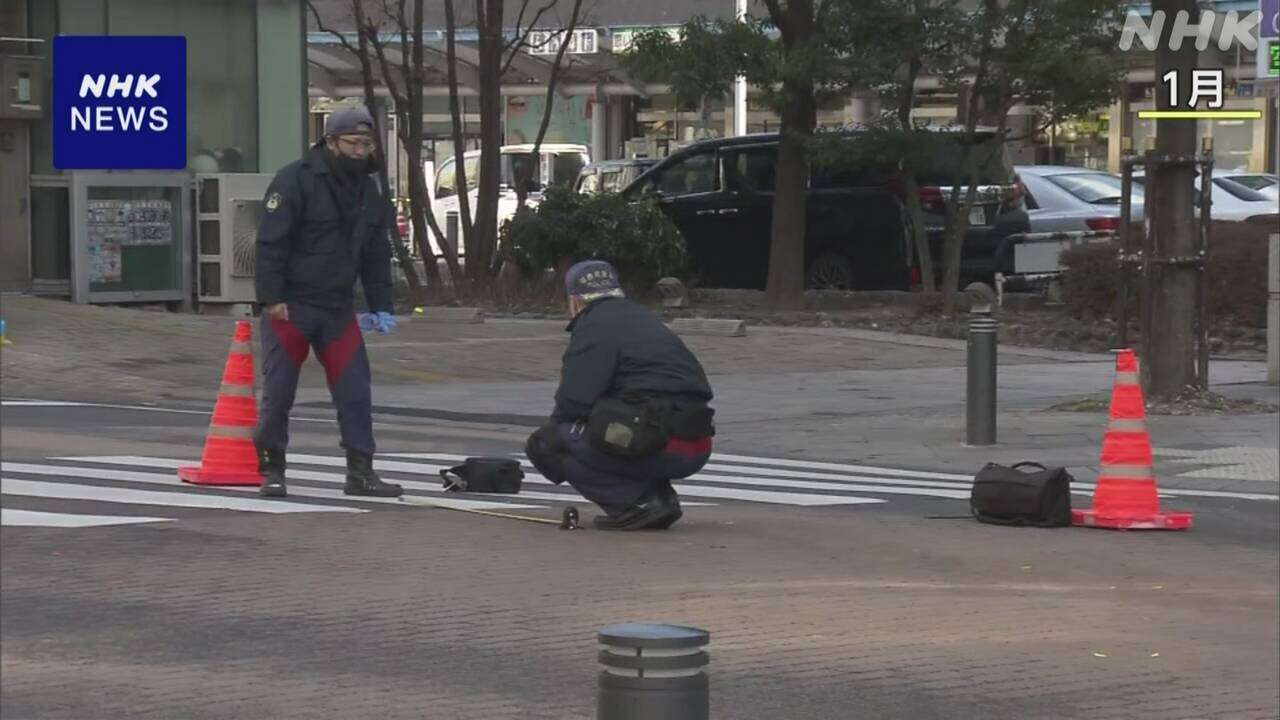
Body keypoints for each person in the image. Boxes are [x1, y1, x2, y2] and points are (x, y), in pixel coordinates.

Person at [252, 107, 403, 499]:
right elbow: (271, 242)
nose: (360, 151)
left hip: (337, 309)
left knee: (355, 391)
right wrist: (272, 298)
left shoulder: (367, 190)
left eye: (367, 144)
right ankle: (272, 470)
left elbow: (375, 252)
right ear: (331, 141)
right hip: (293, 306)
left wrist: (380, 304)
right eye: (353, 143)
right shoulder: (296, 180)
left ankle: (361, 472)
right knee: (280, 391)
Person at [525, 261, 716, 530]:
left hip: (659, 441)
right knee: (613, 426)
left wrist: (550, 436)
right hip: (697, 443)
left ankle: (633, 503)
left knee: (549, 443)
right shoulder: (643, 319)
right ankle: (659, 499)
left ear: (575, 301)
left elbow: (574, 400)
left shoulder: (593, 326)